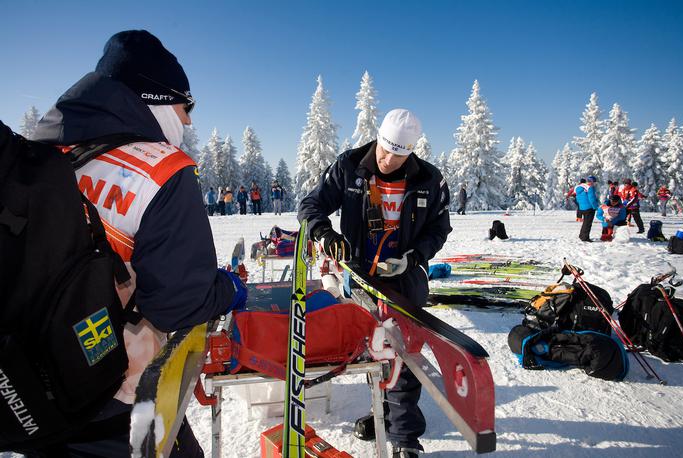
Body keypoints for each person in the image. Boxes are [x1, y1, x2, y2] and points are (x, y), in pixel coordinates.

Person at [29, 30, 247, 457]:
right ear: (157, 99)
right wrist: (228, 290)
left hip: (26, 388)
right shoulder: (163, 170)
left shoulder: (41, 152)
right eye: (186, 106)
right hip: (111, 398)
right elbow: (179, 303)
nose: (187, 121)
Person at [298, 109, 452, 458]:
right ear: (378, 139)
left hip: (405, 280)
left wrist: (412, 258)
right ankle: (382, 412)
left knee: (405, 356)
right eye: (383, 150)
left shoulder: (430, 179)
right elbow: (311, 205)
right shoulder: (350, 165)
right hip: (360, 276)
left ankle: (405, 439)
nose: (386, 160)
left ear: (411, 151)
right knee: (373, 350)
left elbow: (439, 229)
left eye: (397, 155)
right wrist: (324, 232)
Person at [575, 175, 599, 242]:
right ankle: (585, 237)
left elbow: (577, 198)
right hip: (589, 208)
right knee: (588, 223)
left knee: (585, 223)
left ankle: (582, 235)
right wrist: (595, 207)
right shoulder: (590, 188)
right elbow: (592, 199)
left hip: (582, 208)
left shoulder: (580, 187)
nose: (594, 184)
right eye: (594, 182)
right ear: (592, 182)